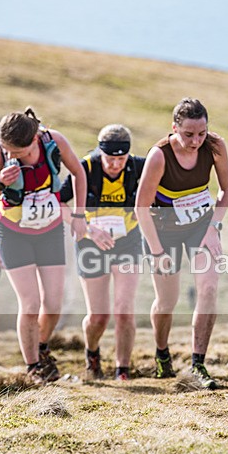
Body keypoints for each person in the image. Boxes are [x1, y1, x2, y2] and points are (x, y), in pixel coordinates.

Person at [0, 108, 88, 384]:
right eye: (8, 149)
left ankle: (41, 345)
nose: (12, 156)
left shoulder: (53, 141)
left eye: (18, 151)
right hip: (13, 233)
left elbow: (79, 173)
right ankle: (33, 367)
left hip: (48, 230)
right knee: (30, 302)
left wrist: (79, 215)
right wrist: (1, 184)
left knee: (53, 303)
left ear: (34, 139)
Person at [135, 98, 228, 389]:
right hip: (163, 231)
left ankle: (197, 363)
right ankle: (162, 353)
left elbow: (226, 190)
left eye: (201, 133)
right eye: (188, 134)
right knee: (167, 300)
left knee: (209, 287)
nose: (196, 141)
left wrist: (214, 227)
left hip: (201, 226)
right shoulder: (159, 155)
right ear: (174, 128)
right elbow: (141, 206)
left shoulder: (214, 146)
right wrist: (157, 251)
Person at [60, 124, 145, 381]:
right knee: (98, 316)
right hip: (90, 242)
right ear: (101, 152)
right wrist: (87, 229)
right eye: (110, 159)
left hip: (127, 240)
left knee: (124, 310)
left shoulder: (138, 167)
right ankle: (92, 353)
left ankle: (122, 370)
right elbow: (59, 202)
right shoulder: (85, 168)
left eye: (121, 159)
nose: (115, 165)